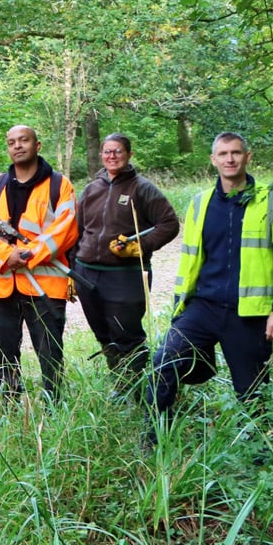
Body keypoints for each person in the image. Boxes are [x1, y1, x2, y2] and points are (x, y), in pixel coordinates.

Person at [145, 133, 273, 445]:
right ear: (213, 160)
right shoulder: (200, 202)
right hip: (203, 306)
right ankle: (154, 437)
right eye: (223, 154)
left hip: (250, 313)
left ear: (247, 157)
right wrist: (180, 306)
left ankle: (259, 453)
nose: (230, 159)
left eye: (236, 153)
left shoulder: (272, 200)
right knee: (164, 361)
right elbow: (190, 259)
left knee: (252, 390)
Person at [0, 125, 78, 402]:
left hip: (44, 284)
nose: (17, 146)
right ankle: (8, 403)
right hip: (2, 283)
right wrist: (7, 256)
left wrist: (28, 254)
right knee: (4, 350)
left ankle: (54, 405)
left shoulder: (59, 185)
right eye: (11, 142)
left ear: (37, 145)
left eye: (23, 140)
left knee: (49, 350)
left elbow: (64, 230)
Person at [74, 134, 179, 401]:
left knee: (126, 332)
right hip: (87, 273)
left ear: (129, 154)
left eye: (118, 151)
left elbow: (169, 224)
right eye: (107, 152)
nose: (112, 156)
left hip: (126, 275)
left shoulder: (142, 188)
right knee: (103, 332)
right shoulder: (91, 189)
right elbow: (77, 231)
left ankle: (138, 388)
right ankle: (120, 382)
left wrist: (140, 246)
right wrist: (72, 269)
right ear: (101, 155)